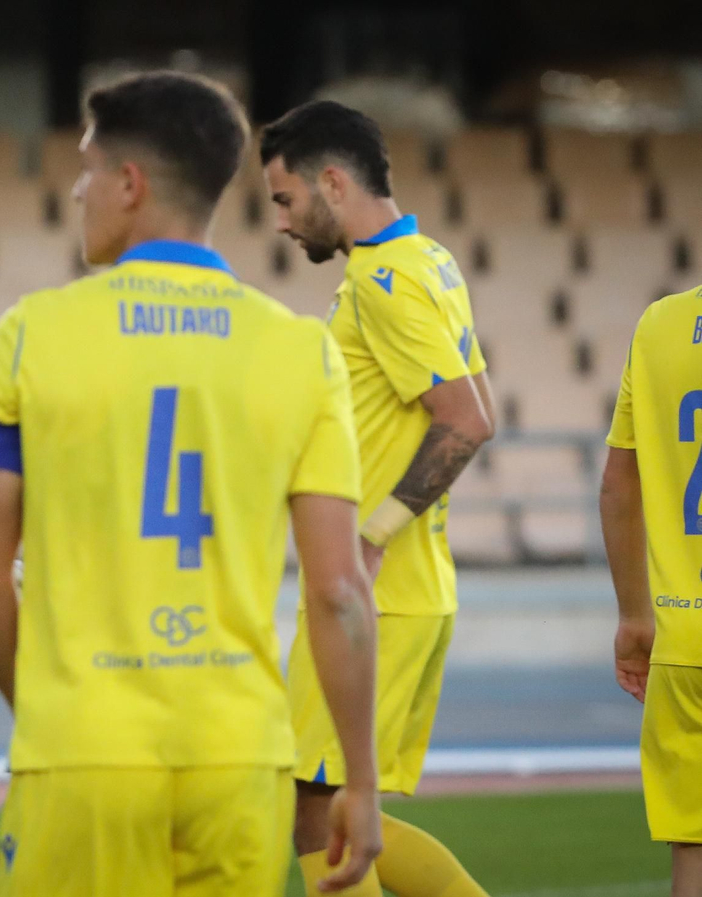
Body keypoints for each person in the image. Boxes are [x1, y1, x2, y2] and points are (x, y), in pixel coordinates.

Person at [0, 71, 381, 896]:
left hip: (83, 750)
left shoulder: (32, 334)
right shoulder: (300, 350)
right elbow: (337, 590)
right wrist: (357, 782)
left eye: (86, 168)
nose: (77, 189)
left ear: (129, 183)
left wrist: (52, 711)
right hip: (240, 755)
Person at [260, 100, 495, 897]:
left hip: (375, 593)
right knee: (330, 809)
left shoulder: (383, 277)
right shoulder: (430, 259)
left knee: (311, 810)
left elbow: (466, 420)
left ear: (333, 180)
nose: (284, 224)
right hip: (404, 591)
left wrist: (370, 538)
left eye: (286, 200)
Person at [601, 282, 702, 897]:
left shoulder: (660, 324)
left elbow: (618, 485)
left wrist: (634, 619)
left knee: (693, 844)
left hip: (683, 637)